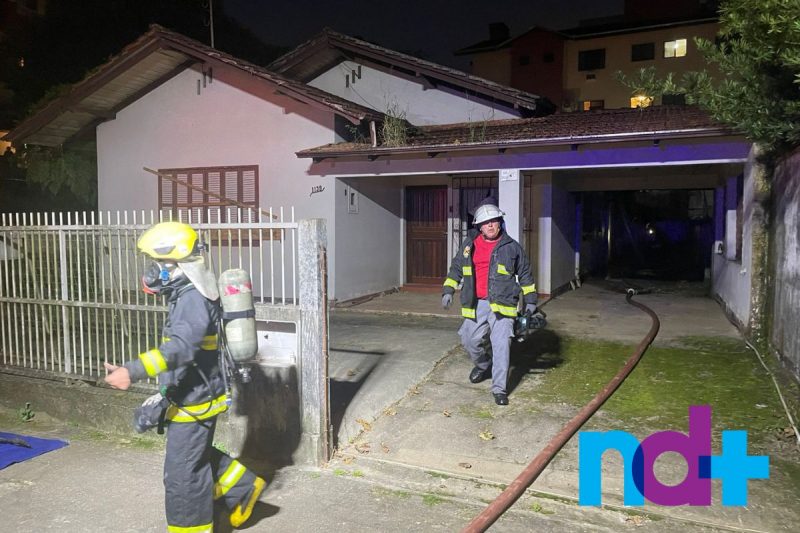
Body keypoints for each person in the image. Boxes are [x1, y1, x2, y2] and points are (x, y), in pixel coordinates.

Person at [104, 221, 265, 532]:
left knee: (182, 476)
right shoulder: (188, 290)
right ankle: (242, 486)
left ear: (174, 263)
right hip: (195, 389)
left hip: (196, 397)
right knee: (192, 454)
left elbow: (180, 348)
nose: (152, 270)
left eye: (157, 261)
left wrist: (131, 371)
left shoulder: (192, 298)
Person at [442, 203, 537, 405]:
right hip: (476, 303)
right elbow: (456, 268)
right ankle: (484, 365)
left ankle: (499, 389)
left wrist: (530, 301)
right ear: (479, 226)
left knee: (501, 345)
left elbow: (525, 274)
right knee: (469, 340)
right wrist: (448, 290)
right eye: (485, 223)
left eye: (494, 221)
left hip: (503, 304)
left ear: (500, 222)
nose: (490, 225)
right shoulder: (469, 245)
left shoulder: (512, 247)